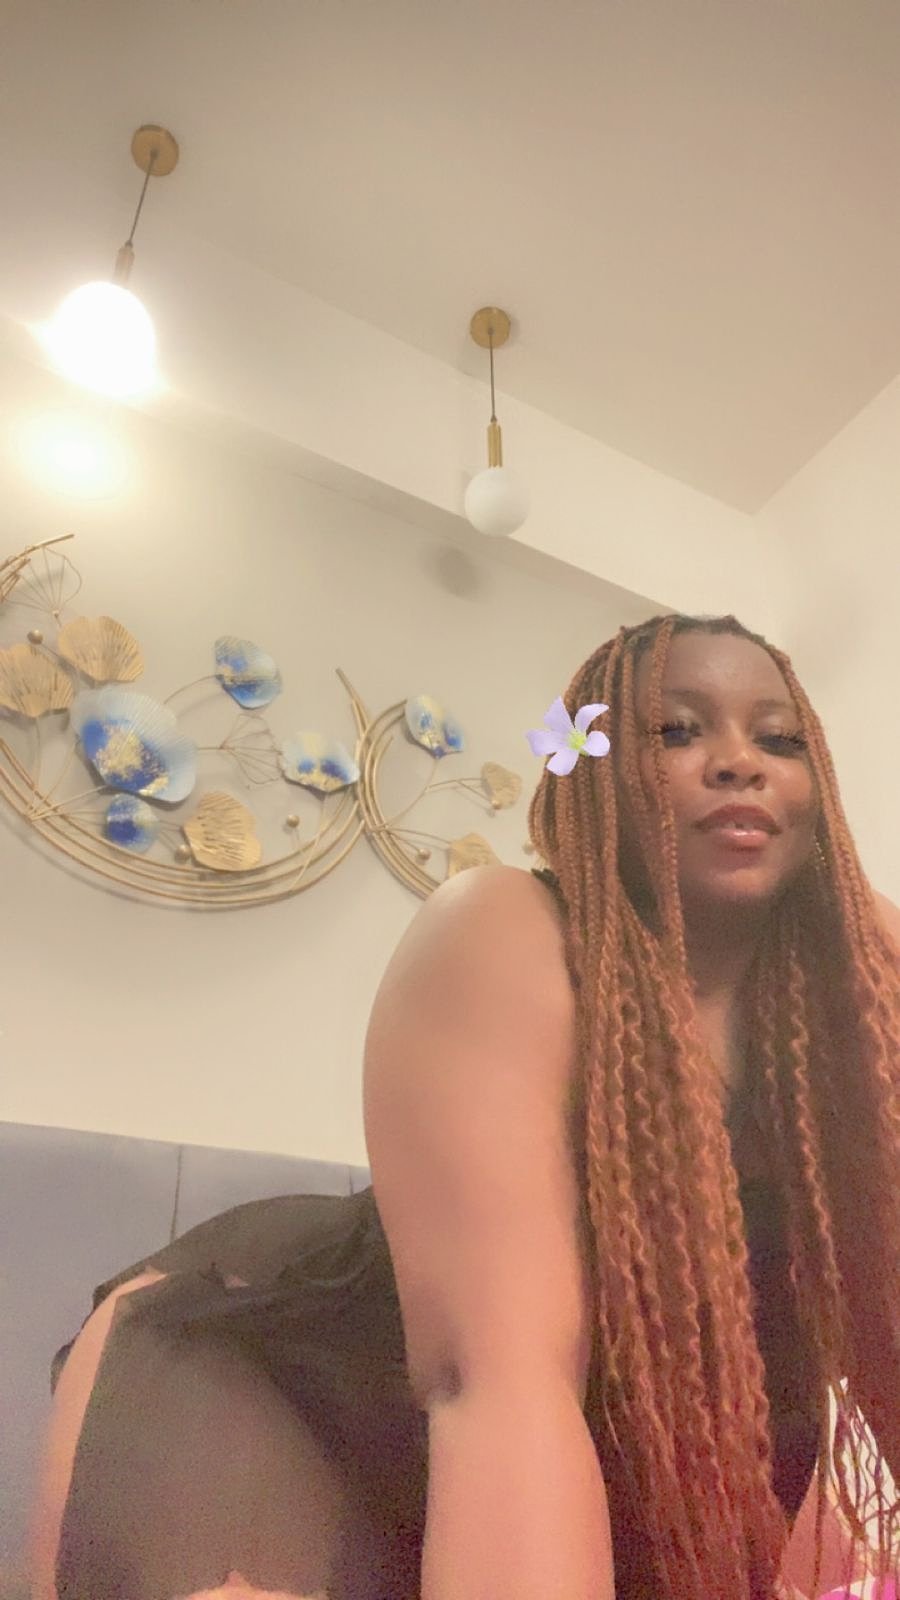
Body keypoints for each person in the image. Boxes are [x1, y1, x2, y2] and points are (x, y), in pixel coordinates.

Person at [30, 613, 900, 1600]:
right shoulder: (505, 932)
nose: (741, 760)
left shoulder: (868, 974)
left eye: (779, 738)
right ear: (595, 771)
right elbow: (496, 1381)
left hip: (627, 1429)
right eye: (677, 729)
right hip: (325, 1386)